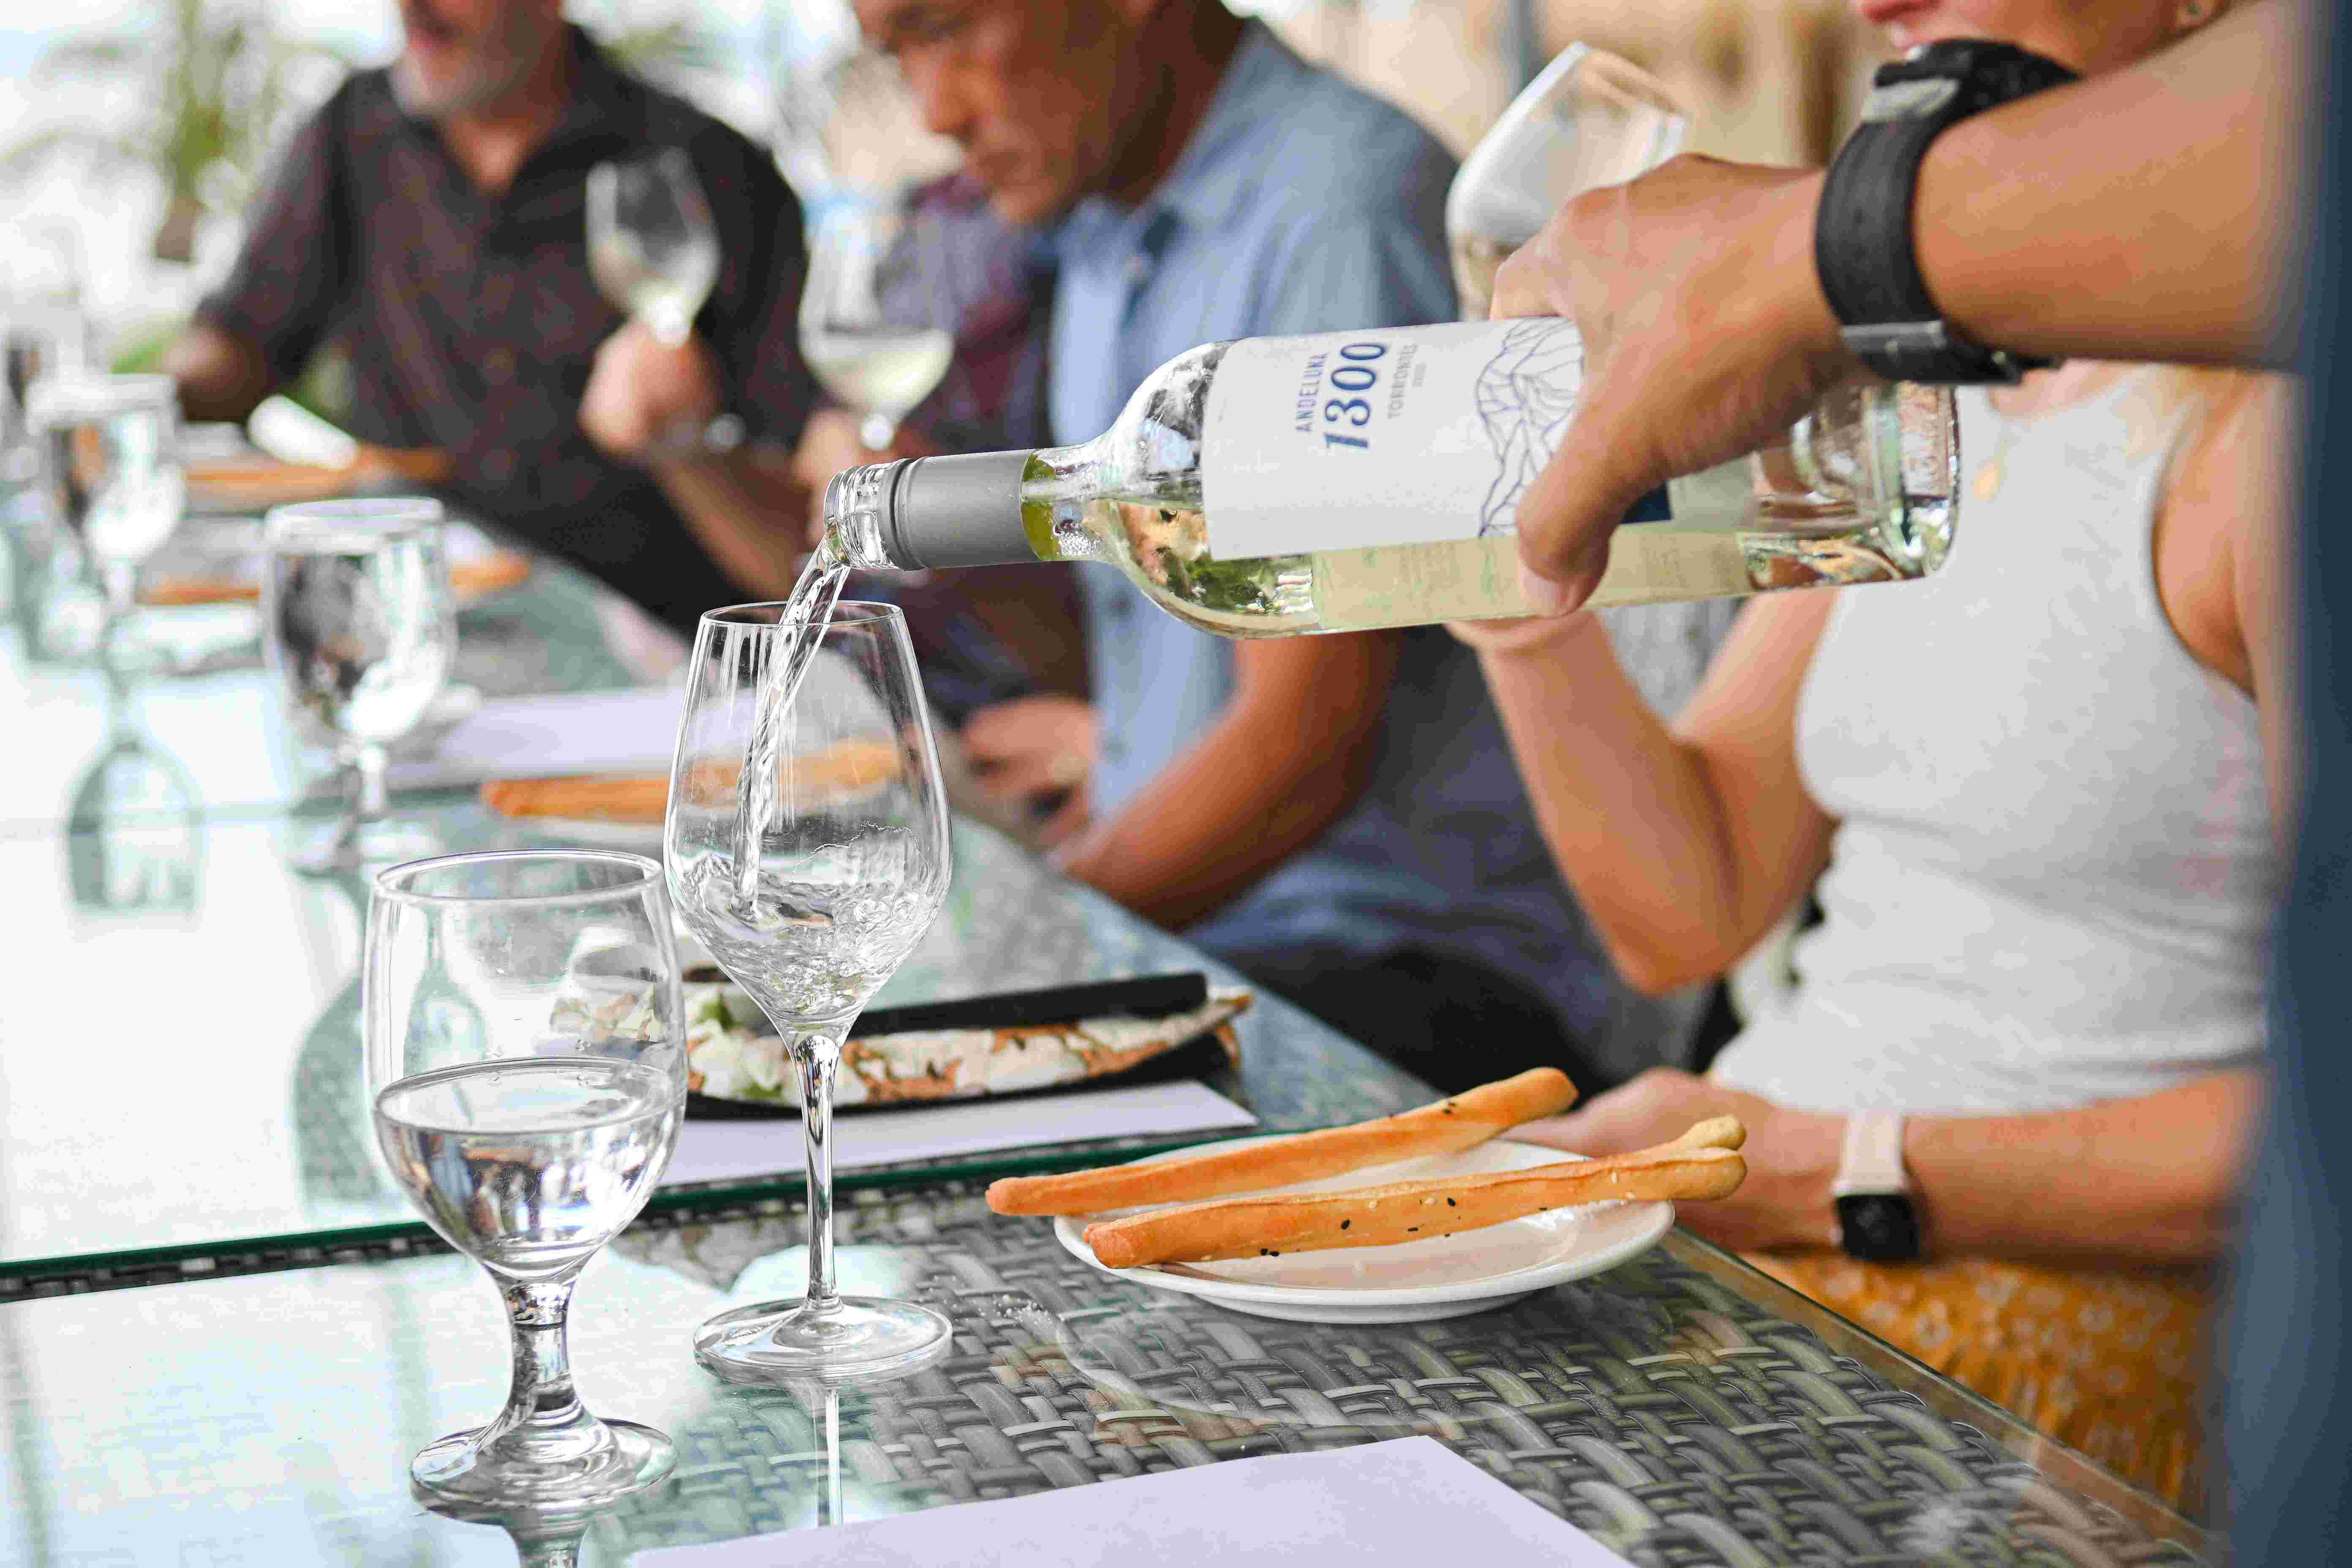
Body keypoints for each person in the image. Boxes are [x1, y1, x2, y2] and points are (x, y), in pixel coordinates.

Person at [1452, 0, 2293, 1506]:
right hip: (1763, 1204)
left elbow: (2313, 1132)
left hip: (2030, 1301)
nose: (1873, 6)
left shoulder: (2262, 438)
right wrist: (1512, 577)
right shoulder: (1919, 391)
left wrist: (1845, 1168)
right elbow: (1688, 905)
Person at [849, 0, 1685, 1091]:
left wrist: (991, 958)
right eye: (895, 56)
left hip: (1402, 975)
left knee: (879, 1118)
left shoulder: (1338, 206)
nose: (935, 111)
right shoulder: (1103, 222)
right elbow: (1169, 624)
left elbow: (1307, 750)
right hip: (1221, 940)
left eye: (949, 28)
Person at [166, 0, 817, 634]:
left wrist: (686, 446)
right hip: (399, 619)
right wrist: (132, 415)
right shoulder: (352, 130)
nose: (413, 10)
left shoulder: (715, 172)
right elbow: (242, 345)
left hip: (650, 650)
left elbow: (807, 552)